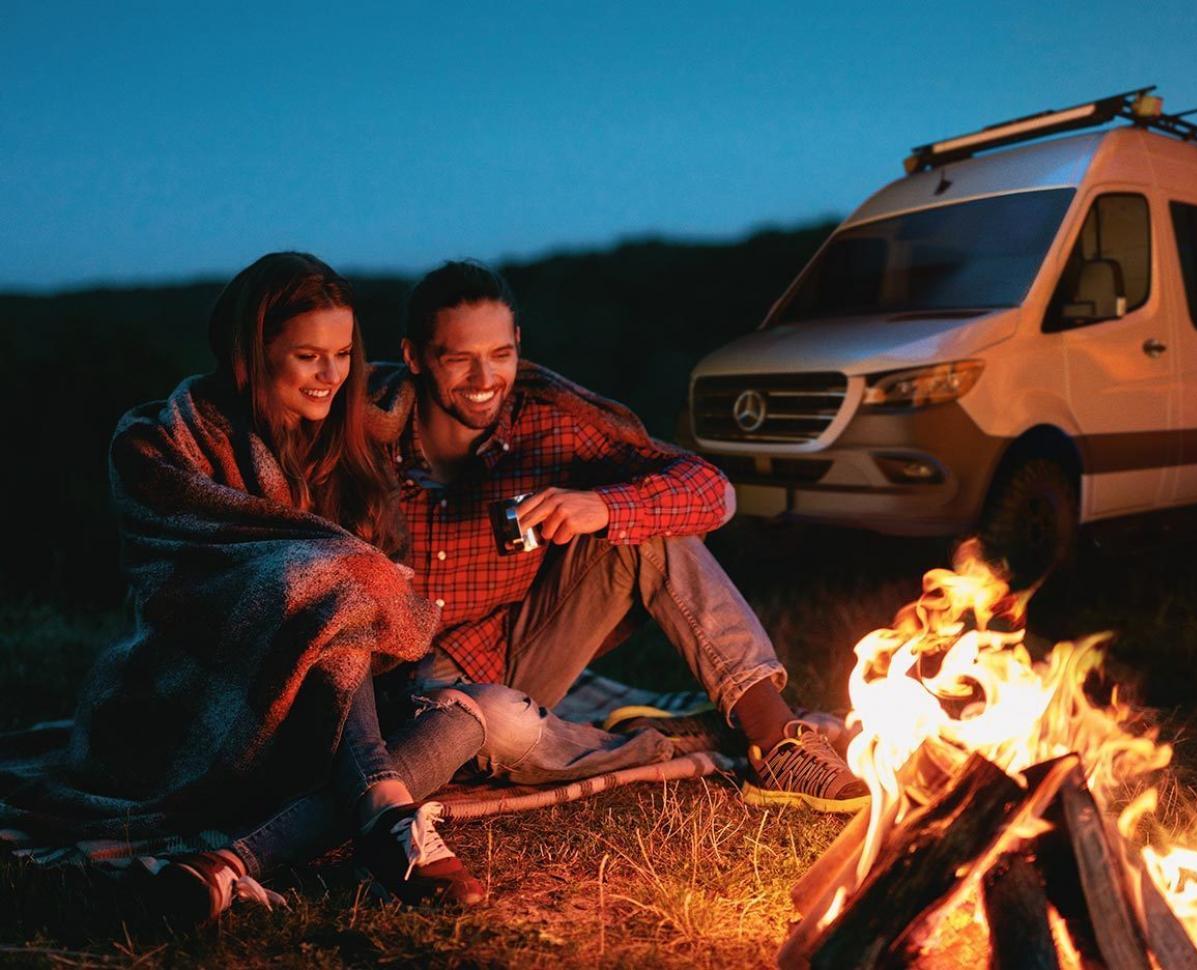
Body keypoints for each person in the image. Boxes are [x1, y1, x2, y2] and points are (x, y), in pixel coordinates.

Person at [0, 253, 489, 925]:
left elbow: (389, 609)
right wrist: (350, 575)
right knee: (332, 581)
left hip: (346, 702)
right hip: (217, 687)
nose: (330, 375)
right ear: (252, 353)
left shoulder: (355, 447)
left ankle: (228, 863)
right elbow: (193, 585)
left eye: (342, 354)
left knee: (467, 716)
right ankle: (385, 812)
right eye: (308, 356)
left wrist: (365, 581)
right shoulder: (163, 441)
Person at [366, 260, 868, 813]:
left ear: (518, 344)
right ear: (414, 356)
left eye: (500, 355)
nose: (485, 380)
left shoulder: (551, 418)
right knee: (498, 723)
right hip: (410, 700)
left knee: (645, 519)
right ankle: (677, 740)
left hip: (521, 656)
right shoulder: (358, 433)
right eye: (459, 359)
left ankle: (775, 738)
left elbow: (712, 491)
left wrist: (600, 505)